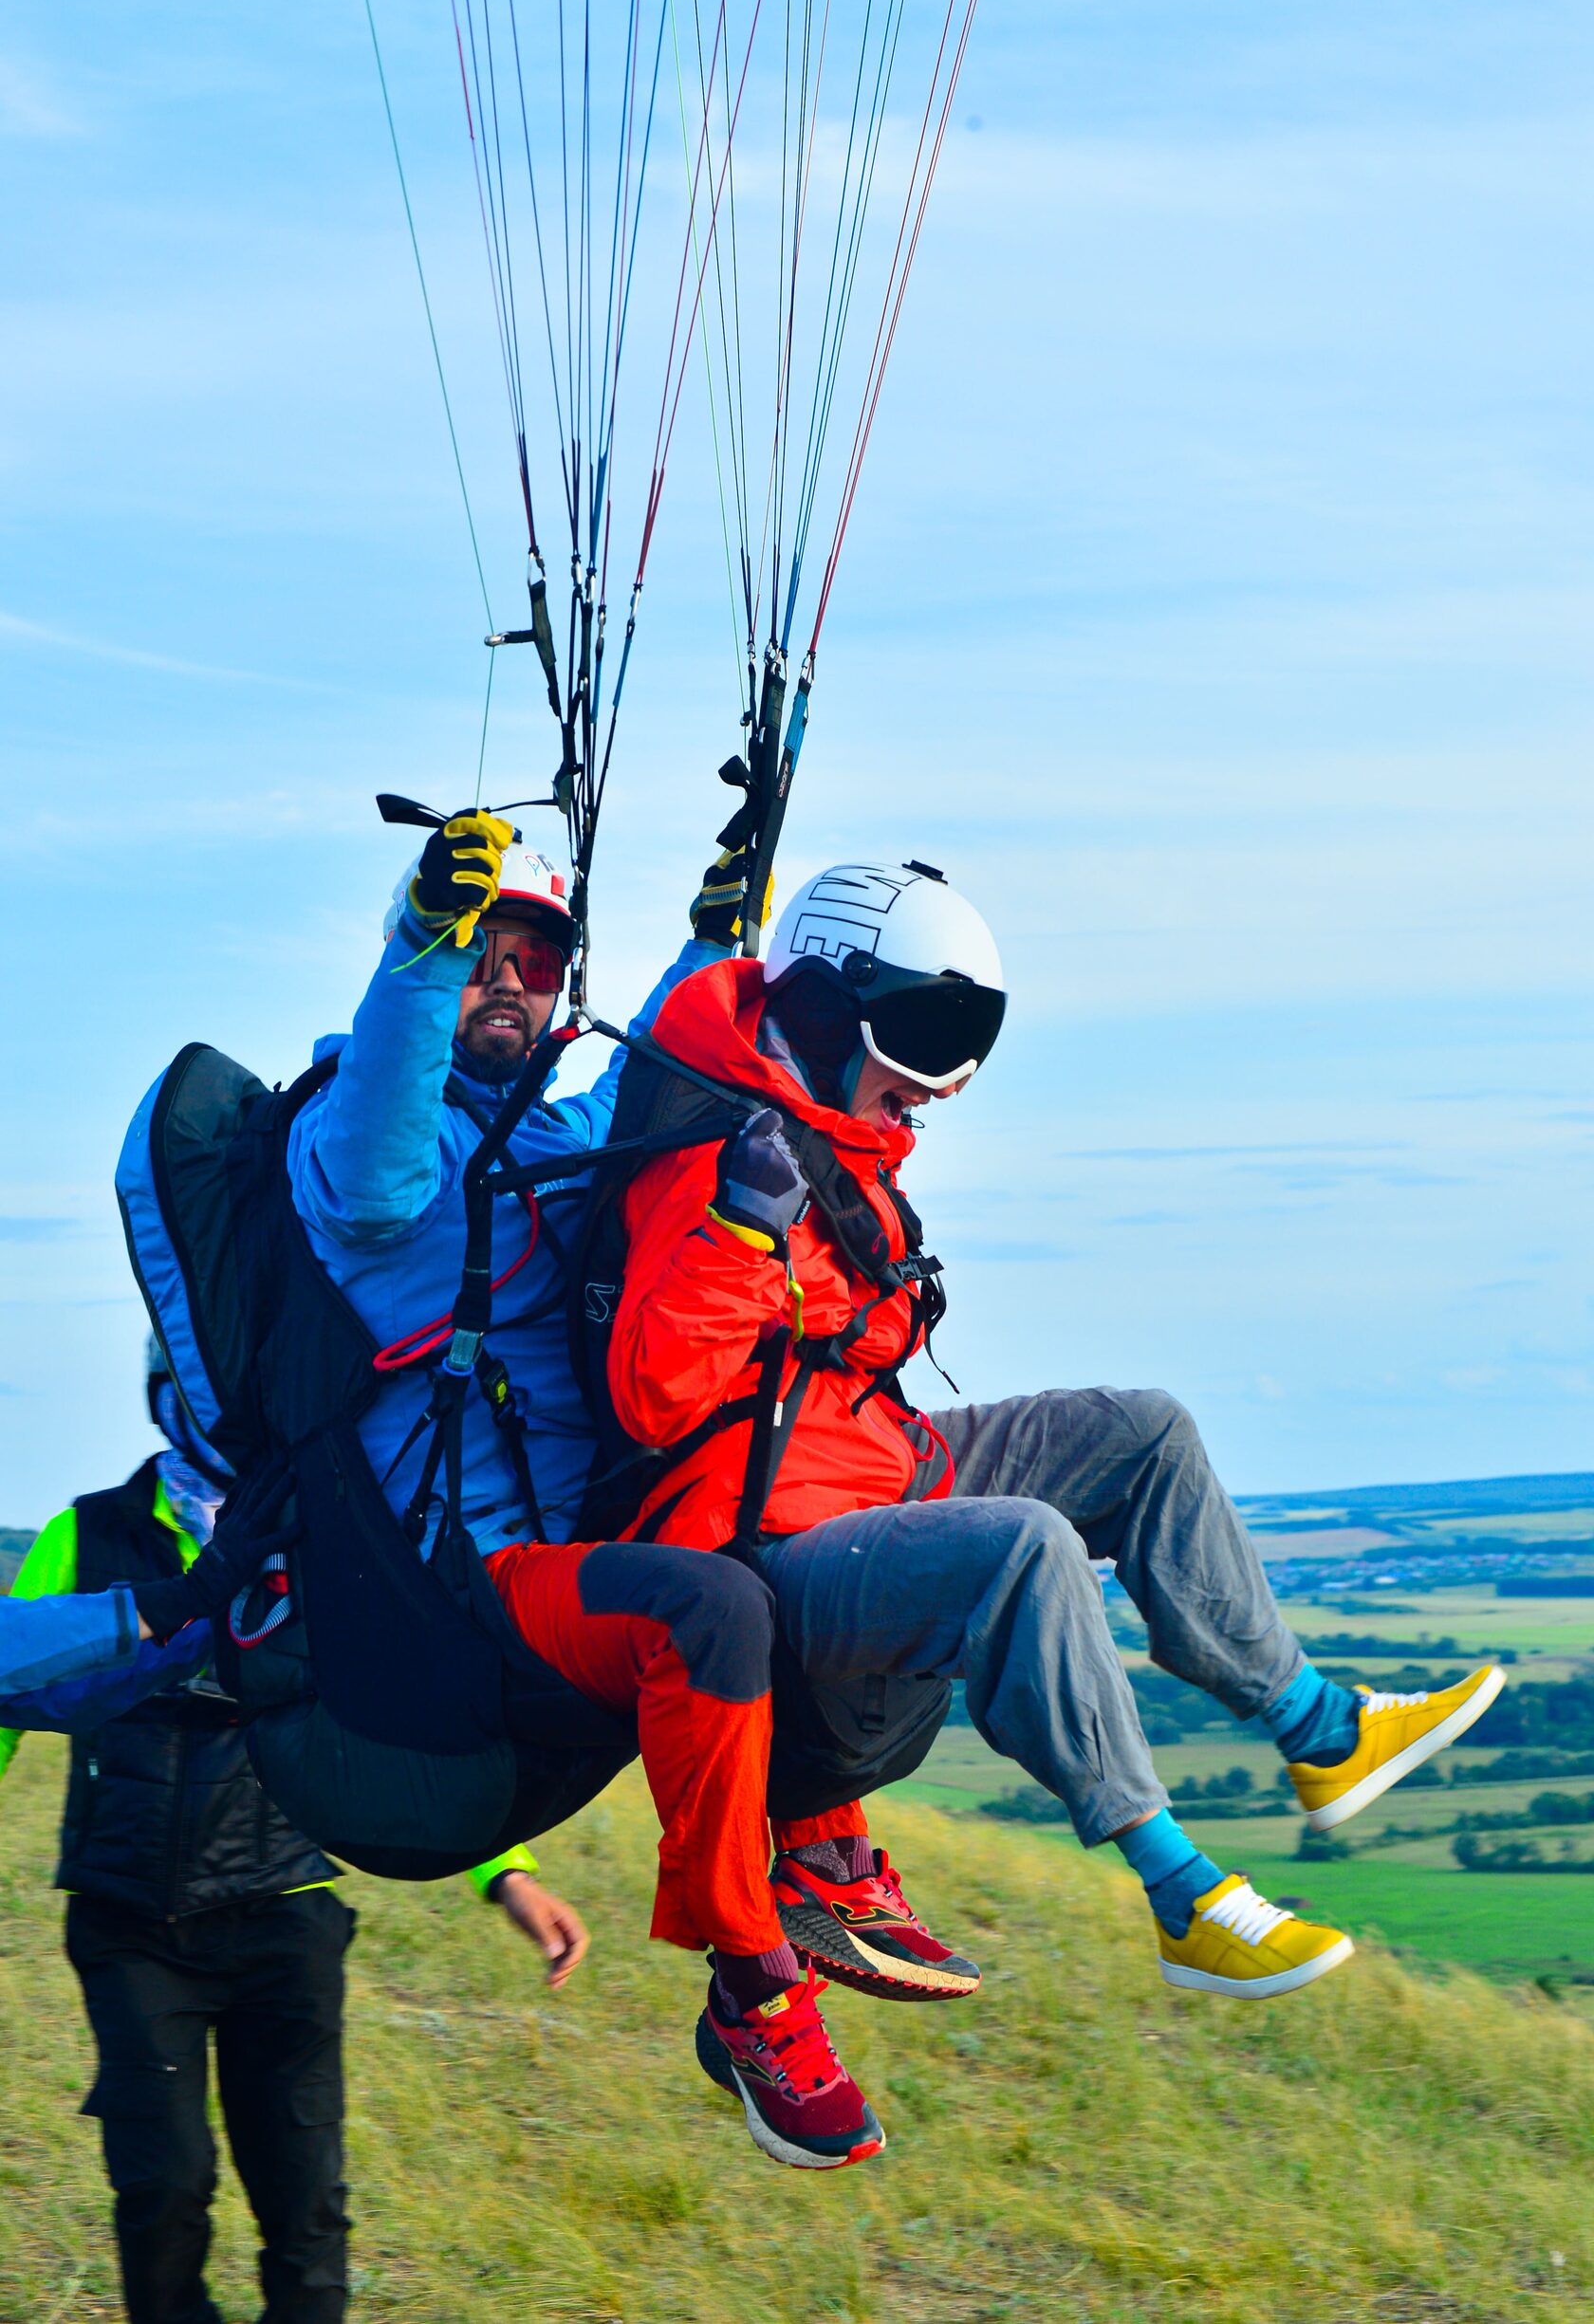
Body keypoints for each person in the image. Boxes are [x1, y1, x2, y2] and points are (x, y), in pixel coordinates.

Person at [603, 859, 1508, 2026]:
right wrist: (738, 1228)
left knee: (1142, 1430)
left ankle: (1319, 1729)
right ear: (825, 1011)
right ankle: (1183, 1895)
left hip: (870, 1462)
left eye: (962, 1043)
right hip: (766, 1541)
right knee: (1025, 1545)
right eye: (922, 1040)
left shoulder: (822, 1128)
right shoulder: (715, 1156)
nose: (939, 1086)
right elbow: (653, 1397)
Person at [221, 810, 881, 2169]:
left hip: (569, 1576)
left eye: (535, 958)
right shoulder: (364, 1165)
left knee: (798, 1541)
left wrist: (717, 943)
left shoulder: (543, 1139)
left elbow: (647, 1103)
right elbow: (383, 1153)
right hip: (453, 1603)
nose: (508, 979)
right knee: (710, 1609)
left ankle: (824, 1852)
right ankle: (756, 1991)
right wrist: (420, 944)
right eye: (486, 957)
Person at [0, 1344, 590, 2324]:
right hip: (129, 1921)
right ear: (164, 1397)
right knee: (162, 2189)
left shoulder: (328, 1545)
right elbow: (13, 1695)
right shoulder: (84, 1532)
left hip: (286, 1916)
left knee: (306, 2203)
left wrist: (506, 1872)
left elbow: (404, 1717)